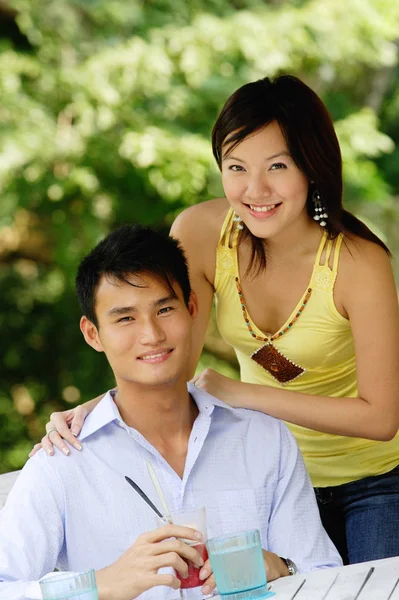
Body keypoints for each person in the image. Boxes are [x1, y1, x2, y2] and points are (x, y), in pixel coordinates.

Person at [33, 75, 399, 565]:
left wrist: (245, 394)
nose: (255, 190)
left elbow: (382, 417)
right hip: (273, 474)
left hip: (374, 484)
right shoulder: (203, 234)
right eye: (236, 168)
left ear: (311, 166)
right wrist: (94, 411)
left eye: (277, 166)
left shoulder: (359, 263)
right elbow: (171, 353)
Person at [0, 225, 341, 600]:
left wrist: (280, 567)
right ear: (93, 334)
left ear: (192, 309)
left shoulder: (264, 440)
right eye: (125, 318)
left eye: (164, 309)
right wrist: (98, 586)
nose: (151, 334)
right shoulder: (61, 462)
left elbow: (323, 574)